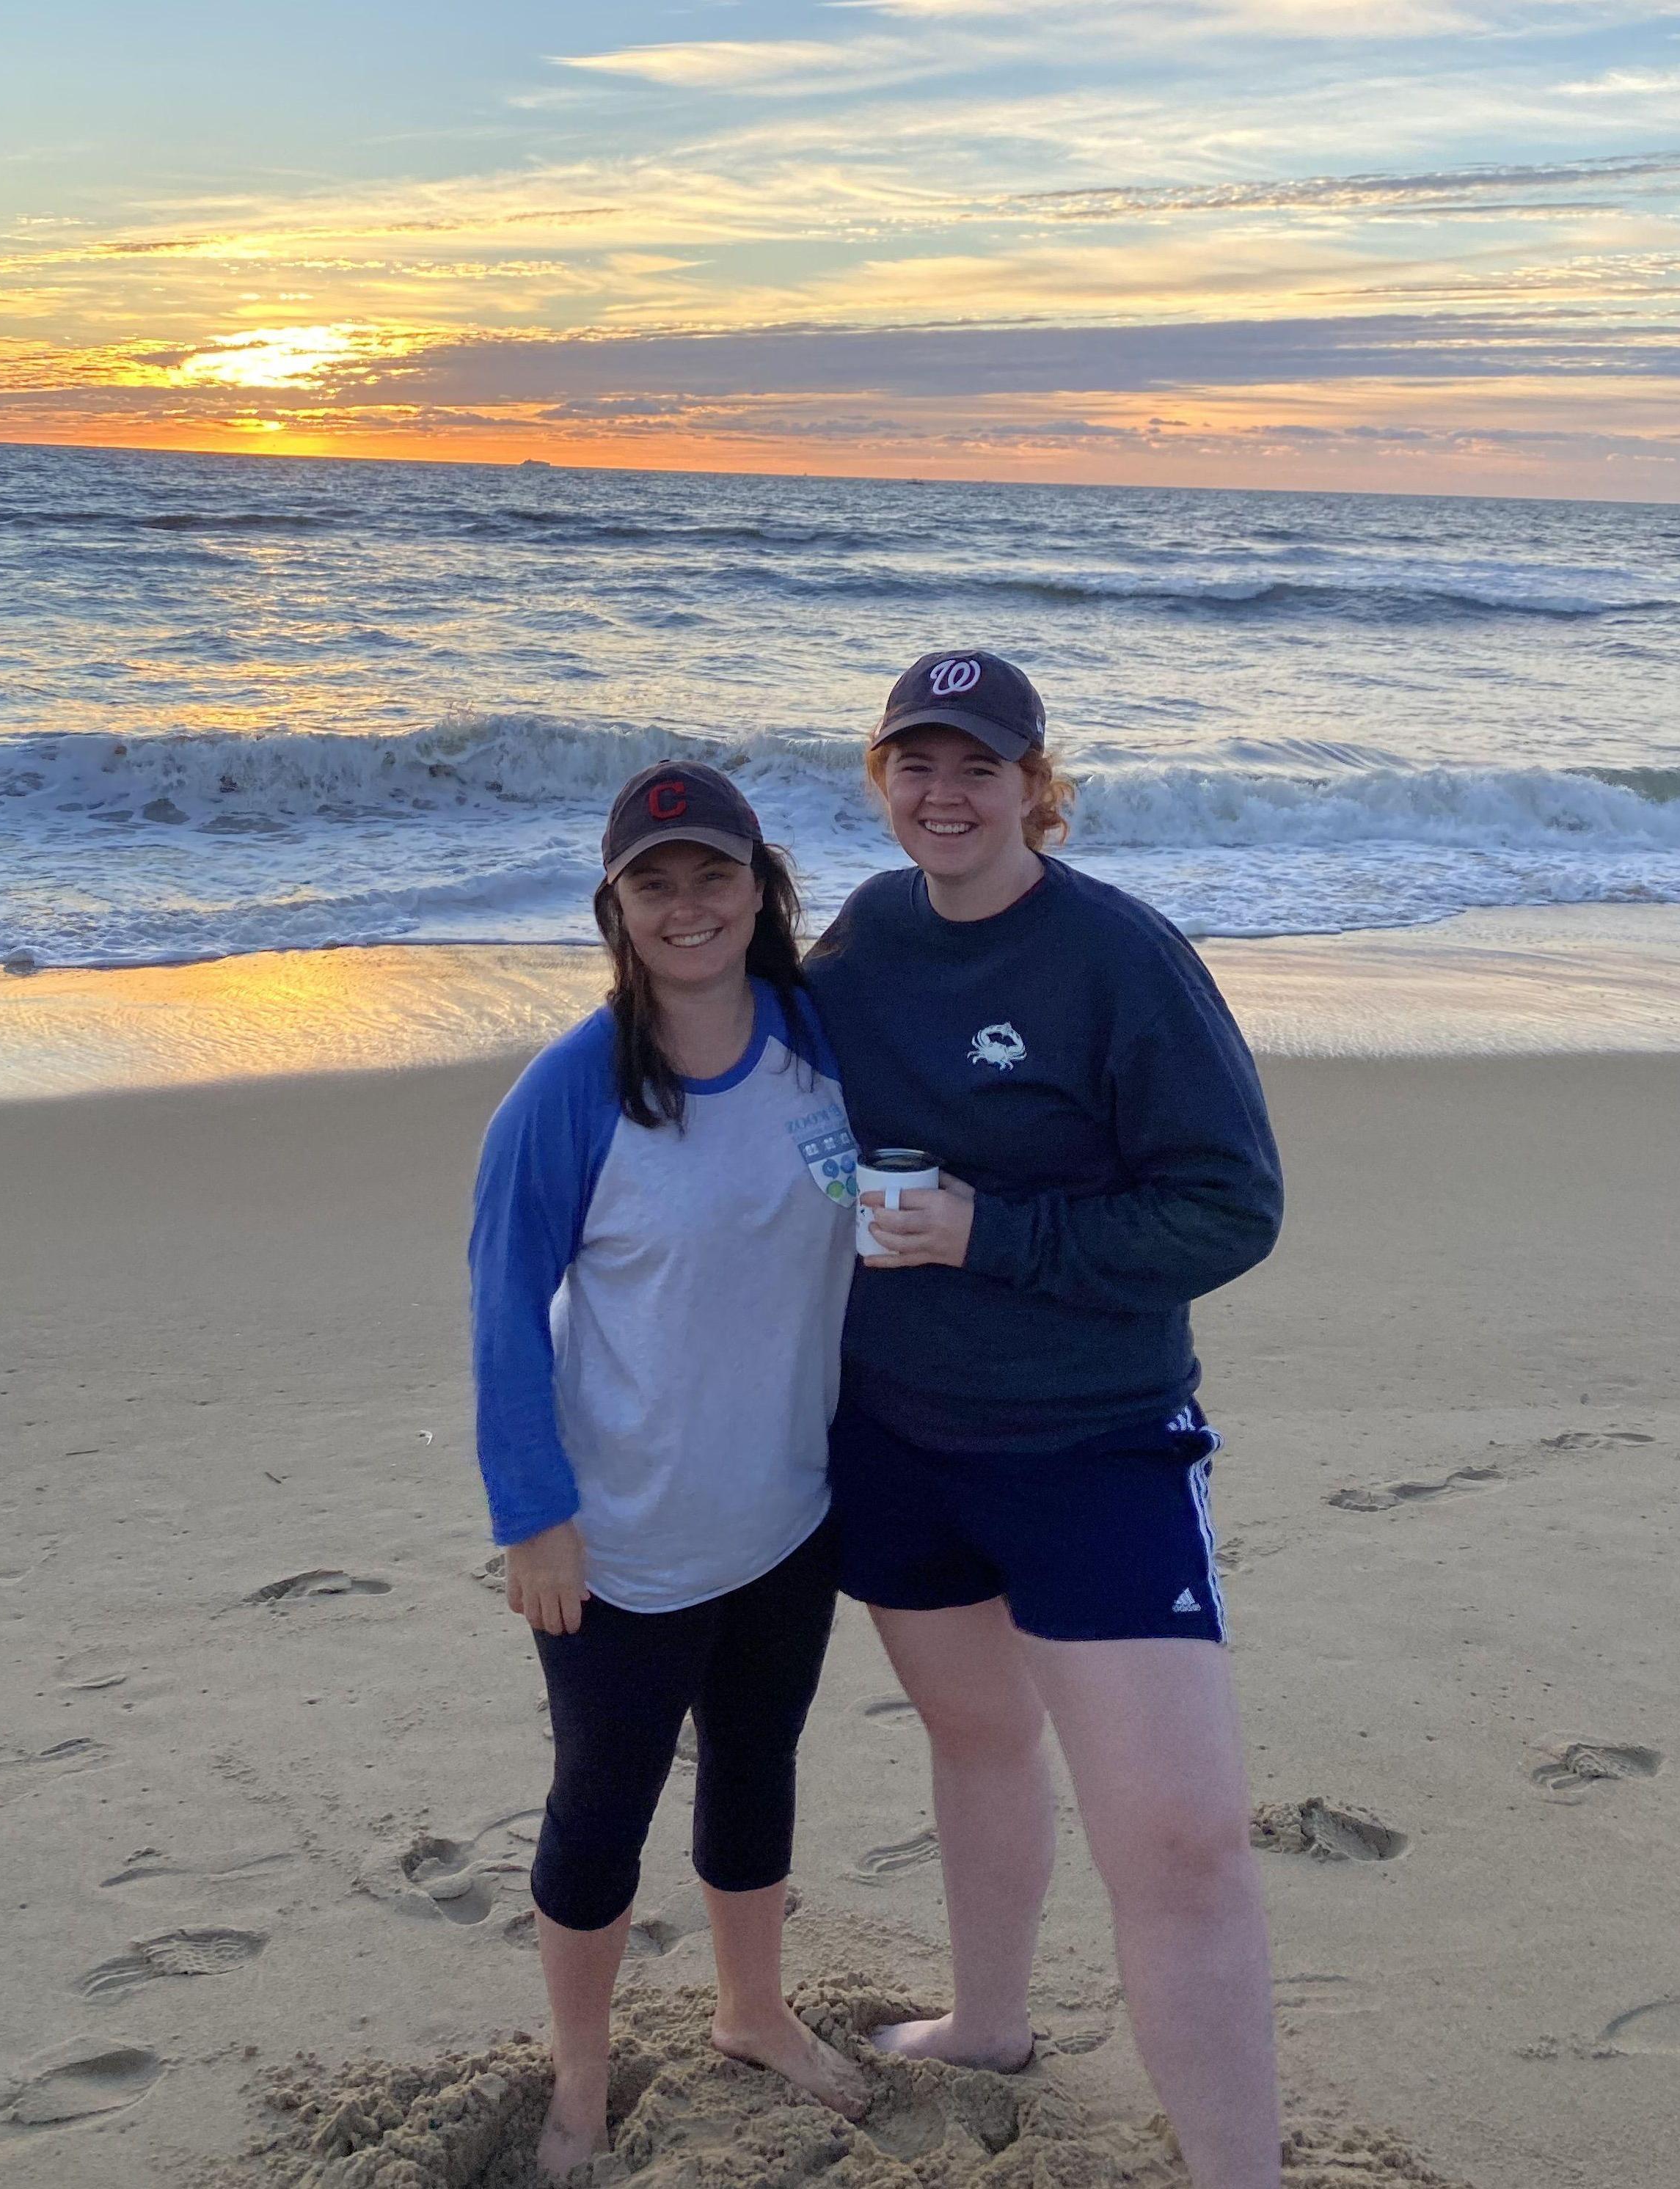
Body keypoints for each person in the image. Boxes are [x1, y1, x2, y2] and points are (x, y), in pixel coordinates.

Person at [805, 651, 1286, 2189]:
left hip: (1096, 1449)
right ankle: (990, 2022)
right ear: (881, 778)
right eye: (914, 765)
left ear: (1034, 787)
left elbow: (1230, 1207)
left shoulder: (1119, 960)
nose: (943, 797)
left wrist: (986, 1231)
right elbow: (762, 1080)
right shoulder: (868, 936)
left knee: (1180, 1841)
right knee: (972, 1732)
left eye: (976, 769)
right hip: (892, 1434)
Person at [467, 760, 869, 2176]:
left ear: (760, 888)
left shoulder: (824, 1040)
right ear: (615, 908)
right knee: (603, 1807)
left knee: (756, 1764)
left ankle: (752, 2011)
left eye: (714, 874)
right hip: (622, 1538)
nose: (688, 905)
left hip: (791, 1512)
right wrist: (534, 1520)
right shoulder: (572, 1091)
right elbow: (502, 1304)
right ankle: (581, 2074)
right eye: (656, 882)